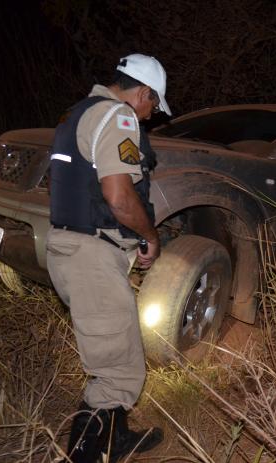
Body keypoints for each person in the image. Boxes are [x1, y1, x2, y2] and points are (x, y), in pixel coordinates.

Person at [46, 53, 170, 463]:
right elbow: (118, 197)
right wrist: (149, 235)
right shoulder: (118, 117)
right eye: (153, 104)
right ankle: (82, 456)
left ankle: (117, 441)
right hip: (90, 257)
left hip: (72, 250)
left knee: (121, 352)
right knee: (118, 373)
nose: (151, 114)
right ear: (143, 92)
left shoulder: (77, 113)